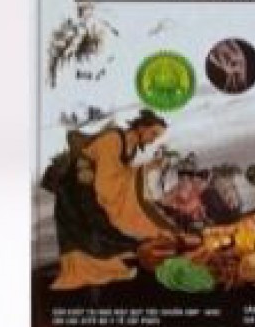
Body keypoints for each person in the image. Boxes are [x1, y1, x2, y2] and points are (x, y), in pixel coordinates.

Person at [48, 109, 176, 290]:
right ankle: (85, 273)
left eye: (157, 137)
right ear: (141, 127)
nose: (153, 140)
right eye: (153, 133)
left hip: (88, 192)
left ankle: (104, 270)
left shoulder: (131, 149)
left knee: (98, 232)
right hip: (74, 191)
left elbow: (121, 175)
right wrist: (142, 170)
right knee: (87, 233)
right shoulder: (113, 140)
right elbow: (107, 183)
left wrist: (147, 167)